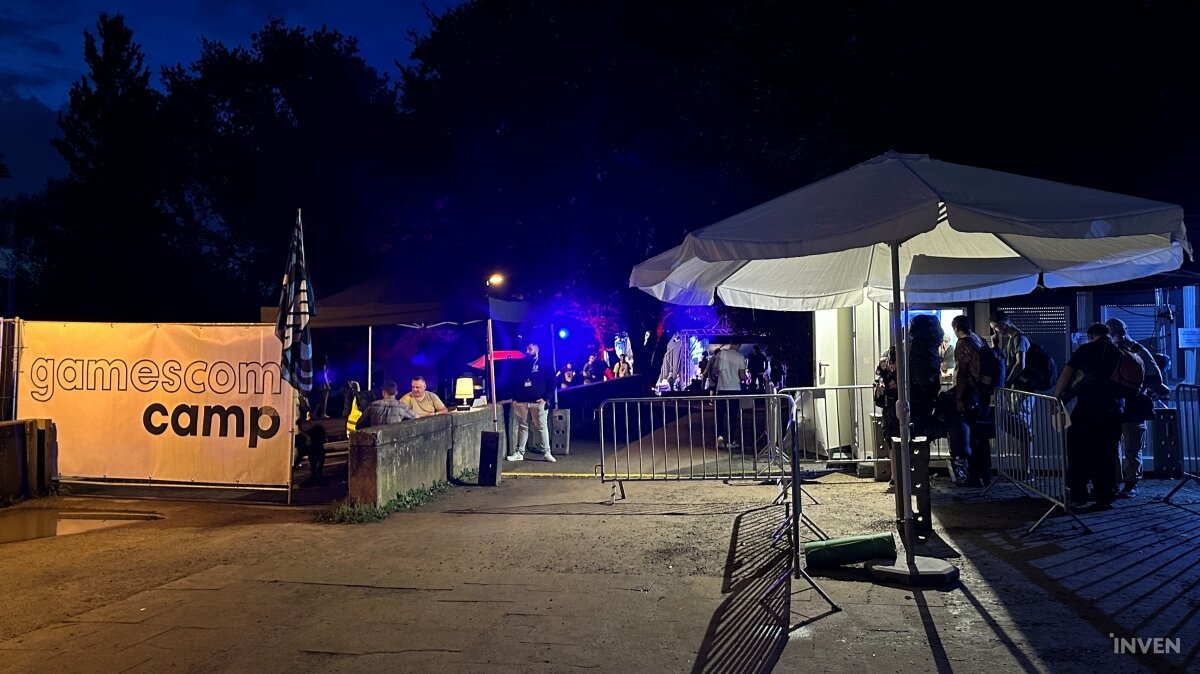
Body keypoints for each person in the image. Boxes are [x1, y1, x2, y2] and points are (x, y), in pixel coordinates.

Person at [1054, 323, 1124, 509]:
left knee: (1079, 450)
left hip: (1088, 407)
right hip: (1113, 408)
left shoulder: (1086, 349)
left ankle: (1078, 493)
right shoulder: (1119, 352)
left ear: (1091, 335)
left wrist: (1057, 396)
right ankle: (1104, 496)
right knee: (1107, 453)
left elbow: (1068, 372)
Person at [1106, 318, 1169, 498]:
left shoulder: (1138, 351)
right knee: (1118, 446)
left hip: (1131, 405)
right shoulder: (1129, 351)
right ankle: (1118, 482)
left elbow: (1155, 378)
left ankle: (1129, 482)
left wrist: (1138, 388)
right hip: (1121, 404)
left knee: (1131, 446)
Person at [948, 315, 993, 487]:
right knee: (981, 434)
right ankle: (986, 474)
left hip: (970, 393)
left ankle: (975, 476)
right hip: (982, 393)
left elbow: (962, 372)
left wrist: (959, 397)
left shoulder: (963, 344)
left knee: (972, 435)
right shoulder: (979, 340)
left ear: (956, 328)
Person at [505, 342, 558, 462]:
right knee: (523, 427)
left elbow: (553, 381)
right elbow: (513, 380)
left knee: (541, 427)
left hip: (538, 402)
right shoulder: (521, 364)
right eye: (526, 349)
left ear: (537, 347)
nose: (527, 351)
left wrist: (546, 398)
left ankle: (547, 452)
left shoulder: (545, 363)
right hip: (522, 402)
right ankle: (519, 453)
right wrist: (514, 398)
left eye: (530, 349)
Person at [711, 344, 747, 450]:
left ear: (731, 344)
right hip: (735, 389)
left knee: (720, 415)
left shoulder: (721, 354)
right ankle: (731, 441)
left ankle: (720, 437)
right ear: (738, 345)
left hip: (721, 388)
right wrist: (744, 378)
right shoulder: (740, 357)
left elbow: (715, 371)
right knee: (733, 416)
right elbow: (742, 376)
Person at [989, 311, 1030, 389]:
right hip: (1015, 385)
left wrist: (1007, 383)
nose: (994, 331)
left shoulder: (1019, 339)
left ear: (1004, 324)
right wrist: (995, 345)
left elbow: (1020, 365)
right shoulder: (1011, 339)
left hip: (1021, 387)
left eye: (995, 327)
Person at [298, 422, 328, 487]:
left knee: (315, 465)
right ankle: (317, 476)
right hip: (315, 443)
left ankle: (316, 476)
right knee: (317, 466)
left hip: (314, 444)